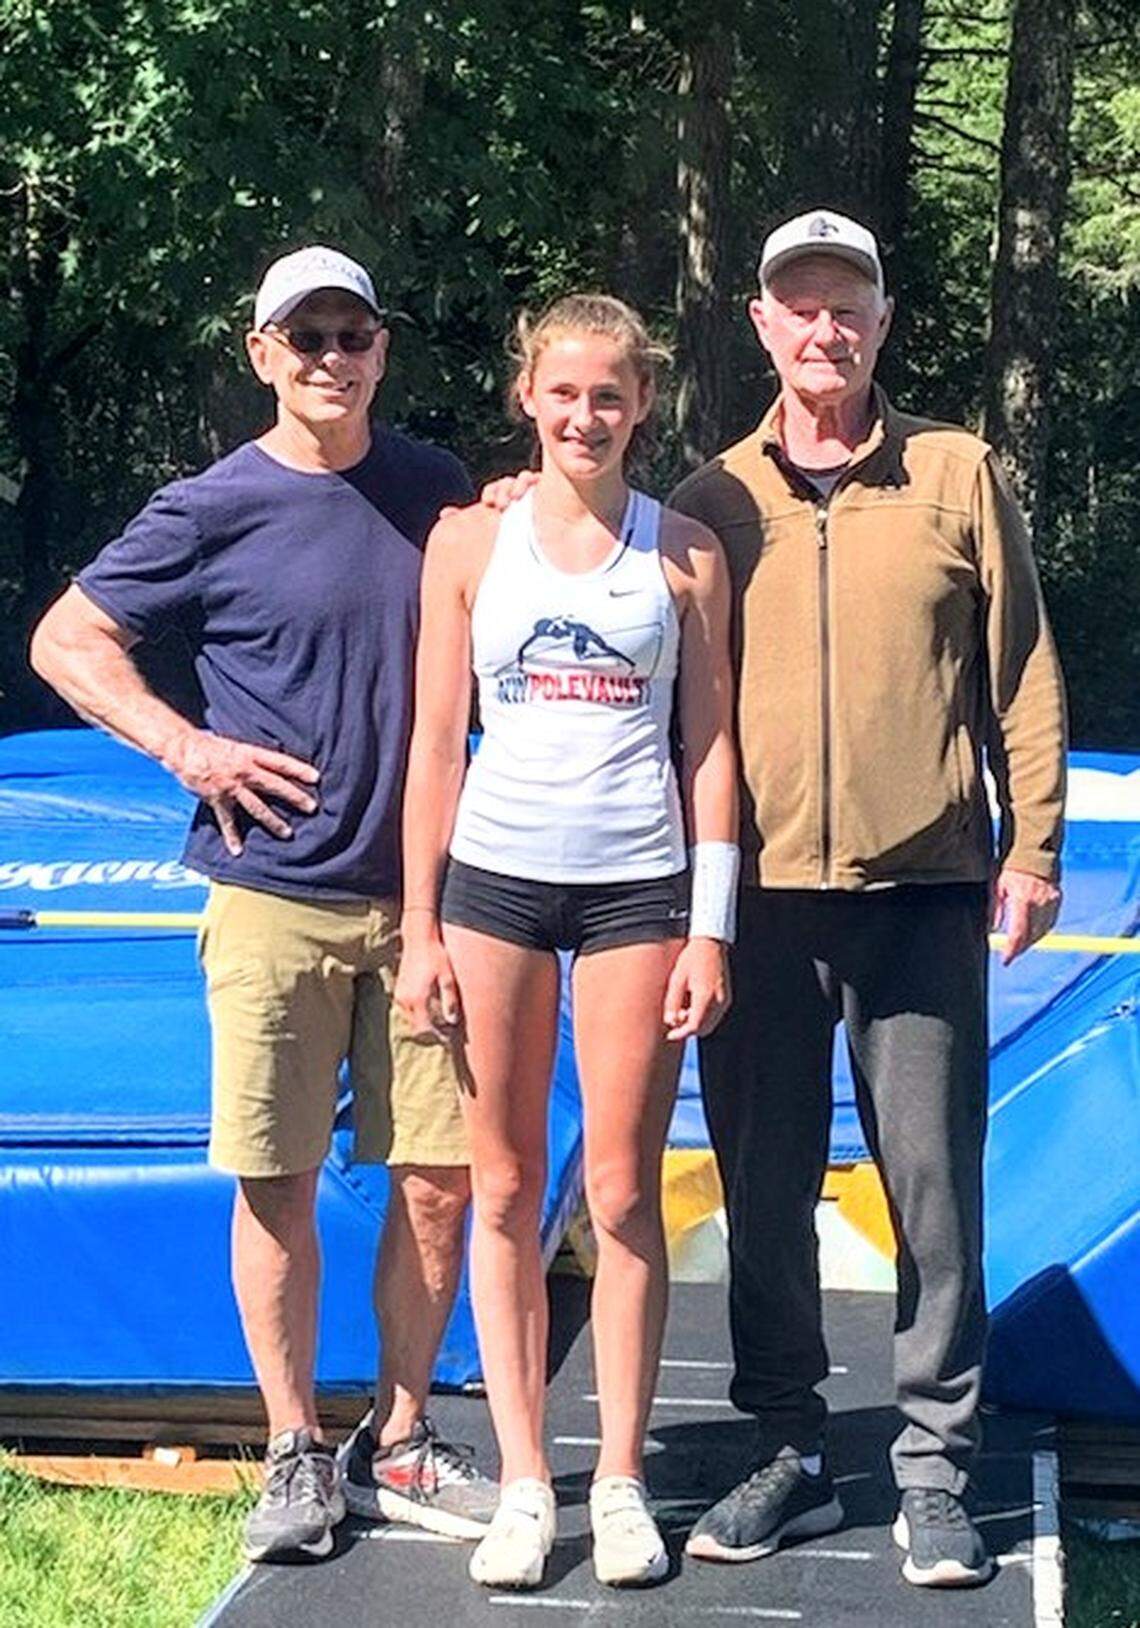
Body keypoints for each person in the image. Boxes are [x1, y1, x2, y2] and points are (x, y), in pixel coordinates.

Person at [29, 245, 499, 1562]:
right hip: (272, 899)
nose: (331, 357)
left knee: (438, 1185)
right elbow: (67, 640)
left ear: (383, 350)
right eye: (306, 338)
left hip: (423, 903)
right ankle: (295, 1447)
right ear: (261, 355)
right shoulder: (210, 505)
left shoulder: (437, 492)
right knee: (274, 1183)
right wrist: (185, 747)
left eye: (353, 334)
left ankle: (399, 1437)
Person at [668, 209, 1067, 1588]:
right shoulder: (710, 501)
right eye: (801, 307)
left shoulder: (954, 474)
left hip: (925, 891)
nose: (824, 329)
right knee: (763, 1189)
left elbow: (1021, 669)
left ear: (882, 326)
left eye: (849, 306)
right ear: (764, 328)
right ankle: (786, 1443)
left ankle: (935, 1466)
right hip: (762, 903)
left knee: (934, 1191)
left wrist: (1035, 849)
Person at [396, 294, 738, 1590]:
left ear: (642, 404)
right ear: (526, 399)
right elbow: (435, 742)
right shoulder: (464, 545)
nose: (585, 416)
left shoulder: (687, 554)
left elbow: (712, 753)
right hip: (494, 890)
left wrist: (711, 930)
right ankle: (528, 1481)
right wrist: (419, 921)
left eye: (610, 395)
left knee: (618, 1192)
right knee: (499, 1186)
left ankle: (622, 1478)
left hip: (635, 895)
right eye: (564, 393)